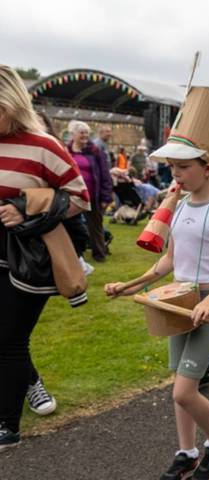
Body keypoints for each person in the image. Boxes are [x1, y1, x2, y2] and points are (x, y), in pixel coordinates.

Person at [104, 88, 209, 479]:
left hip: (208, 304)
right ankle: (186, 451)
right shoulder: (180, 205)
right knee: (178, 386)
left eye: (182, 167)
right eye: (172, 167)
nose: (174, 175)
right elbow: (169, 261)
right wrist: (129, 285)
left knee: (184, 390)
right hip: (179, 301)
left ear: (208, 167)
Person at [0, 65, 90, 450]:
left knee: (9, 341)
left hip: (28, 257)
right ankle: (28, 378)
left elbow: (80, 199)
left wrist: (25, 205)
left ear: (10, 102)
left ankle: (7, 425)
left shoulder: (43, 145)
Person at [66, 120, 113, 263]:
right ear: (73, 134)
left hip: (92, 196)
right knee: (70, 226)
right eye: (82, 132)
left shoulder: (95, 151)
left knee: (96, 226)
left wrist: (105, 196)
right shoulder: (65, 151)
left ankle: (99, 254)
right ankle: (73, 254)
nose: (85, 135)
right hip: (71, 195)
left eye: (87, 133)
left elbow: (105, 174)